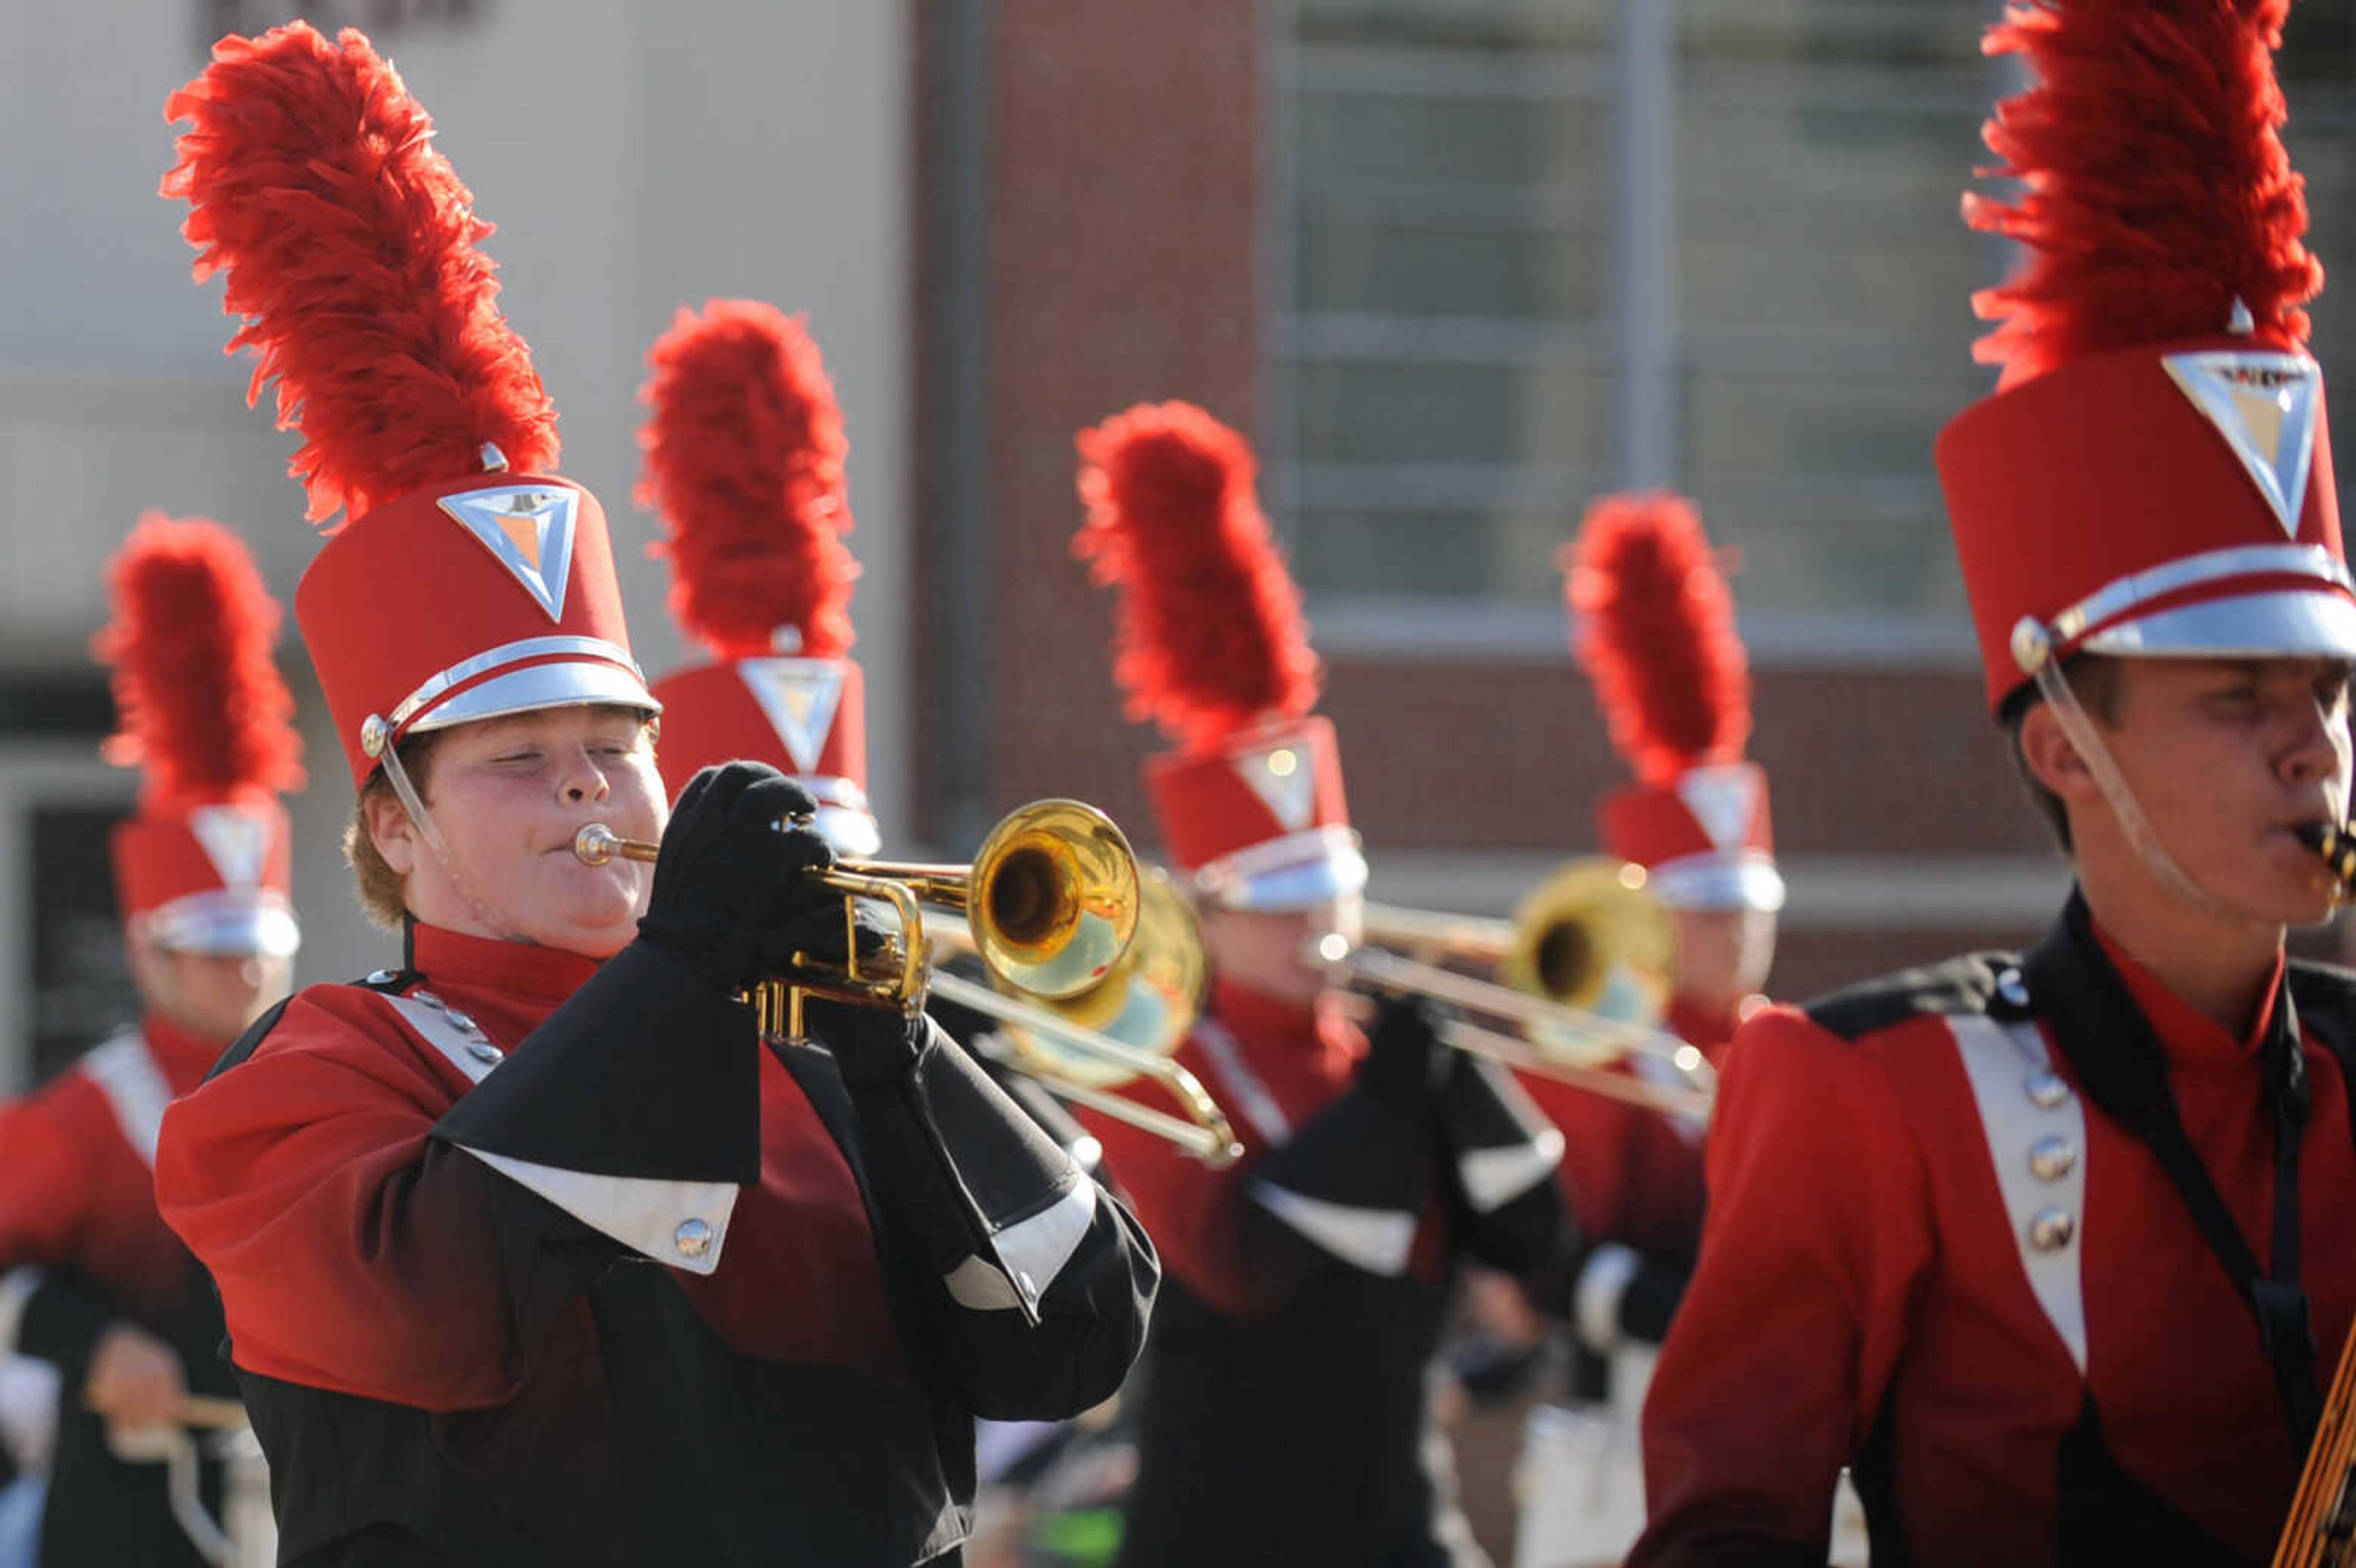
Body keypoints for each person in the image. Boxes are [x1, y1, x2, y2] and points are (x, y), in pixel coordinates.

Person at [150, 25, 1155, 1567]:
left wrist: (902, 1063)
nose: (586, 790)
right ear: (395, 831)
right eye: (516, 760)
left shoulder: (804, 1060)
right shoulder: (305, 1080)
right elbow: (445, 1304)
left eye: (614, 746)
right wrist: (685, 972)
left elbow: (1074, 1343)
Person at [1634, 2, 2356, 1562]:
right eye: (2238, 698)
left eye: (2329, 689)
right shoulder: (1873, 1094)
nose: (2315, 747)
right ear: (2062, 747)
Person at [1062, 399, 1576, 1568]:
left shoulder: (1392, 1053)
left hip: (1401, 1526)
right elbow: (1245, 1269)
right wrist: (1394, 1103)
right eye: (1280, 902)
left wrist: (1463, 1078)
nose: (1317, 927)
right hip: (1223, 1536)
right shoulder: (1156, 1062)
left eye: (1330, 891)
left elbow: (1538, 1246)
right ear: (1210, 912)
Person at [0, 513, 303, 1566]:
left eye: (258, 944)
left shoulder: (336, 1078)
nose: (245, 971)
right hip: (124, 1525)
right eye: (212, 947)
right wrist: (90, 1342)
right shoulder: (85, 1114)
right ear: (147, 953)